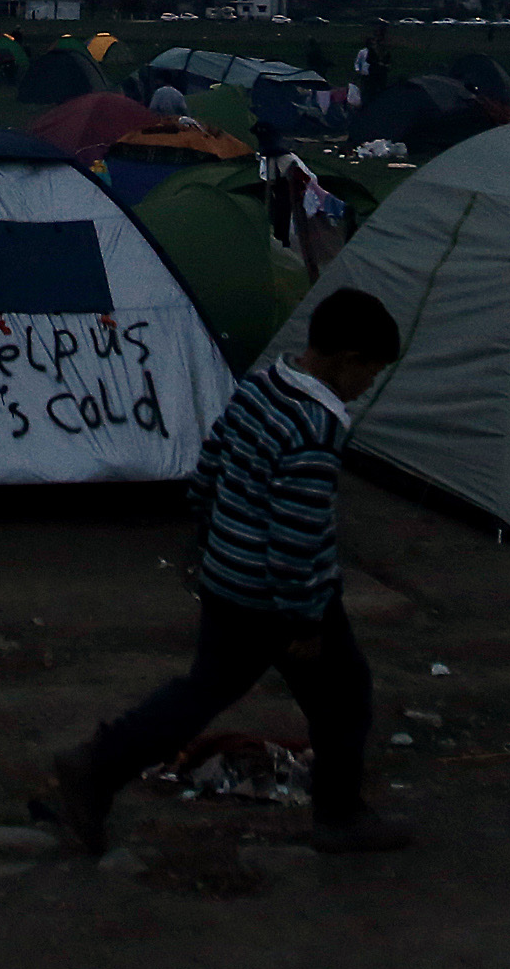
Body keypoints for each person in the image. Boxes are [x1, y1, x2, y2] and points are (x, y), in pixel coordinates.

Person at [46, 289, 411, 858]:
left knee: (204, 692)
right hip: (278, 600)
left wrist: (213, 541)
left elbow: (210, 466)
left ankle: (96, 765)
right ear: (347, 360)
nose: (368, 385)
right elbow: (298, 536)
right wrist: (305, 618)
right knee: (343, 695)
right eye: (370, 371)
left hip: (228, 580)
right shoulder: (314, 428)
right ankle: (339, 817)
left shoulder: (263, 385)